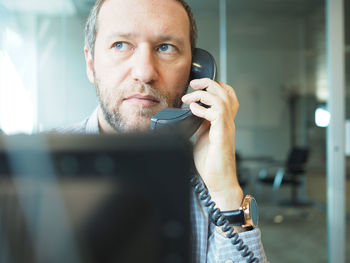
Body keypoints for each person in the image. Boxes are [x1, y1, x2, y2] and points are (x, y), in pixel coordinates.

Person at [61, 0, 268, 262]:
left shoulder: (205, 182)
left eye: (165, 48)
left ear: (196, 69)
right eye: (121, 45)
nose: (145, 72)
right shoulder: (34, 165)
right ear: (91, 64)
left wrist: (225, 193)